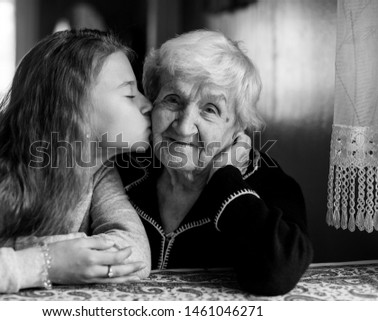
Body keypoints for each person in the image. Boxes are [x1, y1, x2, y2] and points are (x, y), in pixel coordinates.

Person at [0, 29, 152, 300]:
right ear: (75, 109)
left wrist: (68, 258)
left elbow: (136, 254)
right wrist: (47, 262)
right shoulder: (9, 180)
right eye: (130, 95)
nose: (147, 105)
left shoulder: (100, 173)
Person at [116, 30, 313, 296]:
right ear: (152, 103)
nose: (184, 127)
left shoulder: (269, 183)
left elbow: (277, 275)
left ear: (238, 128)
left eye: (210, 109)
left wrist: (226, 180)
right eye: (173, 100)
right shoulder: (124, 169)